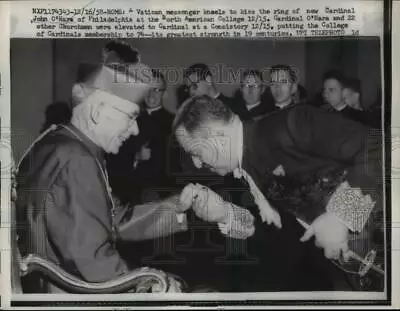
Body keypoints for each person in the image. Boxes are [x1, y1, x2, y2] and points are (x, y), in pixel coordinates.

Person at [15, 42, 255, 293]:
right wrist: (153, 285)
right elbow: (96, 266)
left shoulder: (59, 142)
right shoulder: (78, 160)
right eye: (130, 117)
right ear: (97, 111)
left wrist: (180, 207)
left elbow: (114, 220)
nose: (135, 130)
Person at [173, 95, 383, 290]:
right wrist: (223, 213)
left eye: (195, 152)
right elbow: (278, 232)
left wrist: (341, 216)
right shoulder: (242, 168)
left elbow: (377, 149)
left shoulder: (291, 123)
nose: (197, 163)